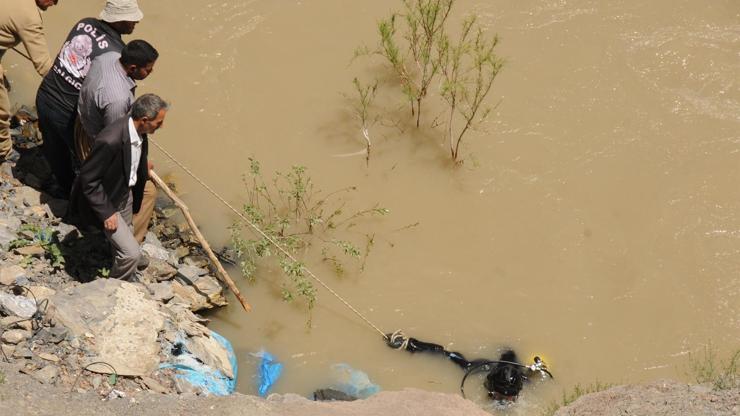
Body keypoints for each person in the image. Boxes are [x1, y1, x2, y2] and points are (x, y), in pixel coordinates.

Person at [36, 0, 143, 194]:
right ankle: (80, 202)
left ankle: (63, 185)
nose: (135, 23)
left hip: (45, 95)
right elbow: (109, 96)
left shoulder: (84, 23)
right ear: (119, 20)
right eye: (131, 20)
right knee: (89, 162)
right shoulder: (116, 54)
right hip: (67, 113)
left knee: (54, 148)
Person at [69, 94, 168, 282]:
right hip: (108, 200)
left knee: (127, 232)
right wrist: (107, 213)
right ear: (145, 120)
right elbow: (88, 179)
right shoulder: (110, 140)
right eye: (158, 122)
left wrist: (142, 166)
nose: (161, 126)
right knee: (131, 254)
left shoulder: (140, 132)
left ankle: (122, 261)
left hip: (124, 193)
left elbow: (133, 156)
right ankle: (117, 286)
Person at [77, 39, 158, 246]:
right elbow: (118, 141)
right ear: (133, 68)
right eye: (148, 70)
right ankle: (129, 243)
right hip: (98, 143)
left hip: (83, 124)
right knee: (147, 191)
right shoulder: (118, 100)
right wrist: (140, 164)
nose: (151, 72)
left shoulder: (108, 57)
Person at [386, 331, 552, 402]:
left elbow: (544, 376)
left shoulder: (522, 380)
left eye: (508, 398)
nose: (504, 401)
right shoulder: (486, 371)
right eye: (500, 396)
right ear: (490, 386)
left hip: (510, 358)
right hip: (493, 365)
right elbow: (446, 354)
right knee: (457, 360)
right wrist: (409, 345)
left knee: (512, 356)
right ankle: (413, 345)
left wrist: (537, 369)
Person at [0, 0, 58, 164]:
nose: (54, 4)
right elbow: (44, 66)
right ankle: (4, 152)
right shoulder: (30, 16)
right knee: (2, 111)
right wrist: (64, 87)